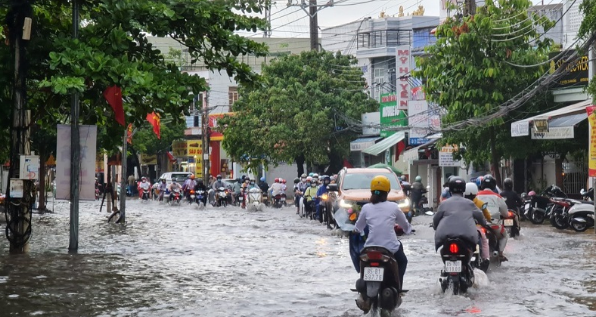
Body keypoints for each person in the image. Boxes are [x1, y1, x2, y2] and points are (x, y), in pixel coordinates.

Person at [354, 175, 412, 295]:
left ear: (372, 191)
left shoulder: (366, 208)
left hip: (369, 248)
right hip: (389, 248)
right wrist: (408, 230)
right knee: (402, 261)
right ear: (387, 192)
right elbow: (406, 227)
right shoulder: (394, 207)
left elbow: (358, 228)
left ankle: (363, 293)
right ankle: (398, 288)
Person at [433, 177, 488, 258]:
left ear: (450, 189)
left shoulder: (444, 204)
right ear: (463, 189)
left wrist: (435, 226)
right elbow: (480, 217)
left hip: (445, 237)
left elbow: (436, 220)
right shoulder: (470, 203)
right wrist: (484, 224)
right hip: (467, 236)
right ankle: (483, 259)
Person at [477, 175, 509, 261]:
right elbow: (505, 213)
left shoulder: (476, 196)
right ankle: (501, 254)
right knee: (504, 235)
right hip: (494, 225)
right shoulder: (498, 197)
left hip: (479, 225)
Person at [464, 182, 491, 265]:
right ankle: (485, 258)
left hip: (463, 227)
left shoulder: (461, 203)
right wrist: (489, 221)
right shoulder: (481, 203)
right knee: (484, 241)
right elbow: (486, 215)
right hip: (477, 228)